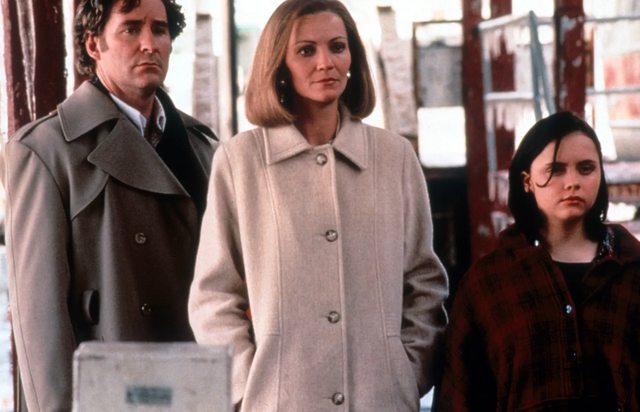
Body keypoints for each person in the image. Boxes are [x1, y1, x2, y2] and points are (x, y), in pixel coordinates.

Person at [188, 1, 449, 410]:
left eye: (337, 47)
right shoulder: (240, 161)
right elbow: (214, 296)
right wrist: (247, 388)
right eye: (306, 50)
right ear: (279, 63)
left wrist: (406, 372)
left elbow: (424, 283)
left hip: (380, 399)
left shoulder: (394, 157)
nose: (325, 62)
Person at [3, 0, 218, 410]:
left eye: (159, 30)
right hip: (105, 391)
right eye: (131, 29)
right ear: (93, 45)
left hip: (194, 385)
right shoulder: (44, 151)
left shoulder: (202, 148)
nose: (149, 44)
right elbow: (40, 322)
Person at [436, 111, 640, 410]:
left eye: (586, 168)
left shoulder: (632, 269)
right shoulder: (490, 283)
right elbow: (460, 396)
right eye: (556, 169)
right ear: (527, 181)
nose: (572, 182)